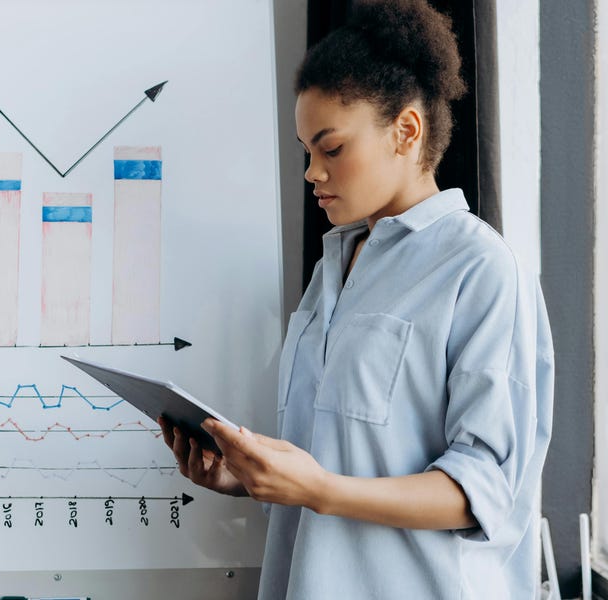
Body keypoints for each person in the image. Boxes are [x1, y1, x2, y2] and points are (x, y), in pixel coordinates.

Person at [159, 0, 554, 597]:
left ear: (407, 130)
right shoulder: (335, 267)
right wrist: (248, 477)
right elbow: (337, 452)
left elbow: (482, 492)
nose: (312, 172)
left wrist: (317, 489)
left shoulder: (482, 270)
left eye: (332, 148)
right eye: (306, 151)